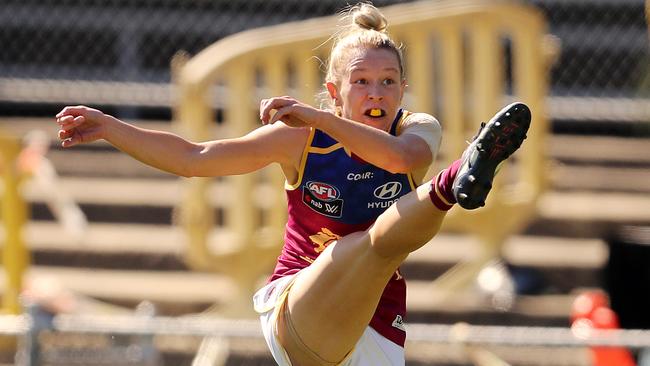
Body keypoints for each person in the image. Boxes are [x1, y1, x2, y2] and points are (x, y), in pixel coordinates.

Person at [55, 3, 531, 365]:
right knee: (359, 246)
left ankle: (459, 180)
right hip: (297, 306)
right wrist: (110, 127)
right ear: (335, 91)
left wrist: (322, 119)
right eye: (361, 81)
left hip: (378, 311)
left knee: (379, 246)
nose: (376, 92)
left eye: (388, 82)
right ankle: (453, 182)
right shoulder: (301, 138)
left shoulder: (416, 127)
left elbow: (400, 158)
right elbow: (192, 157)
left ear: (403, 90)